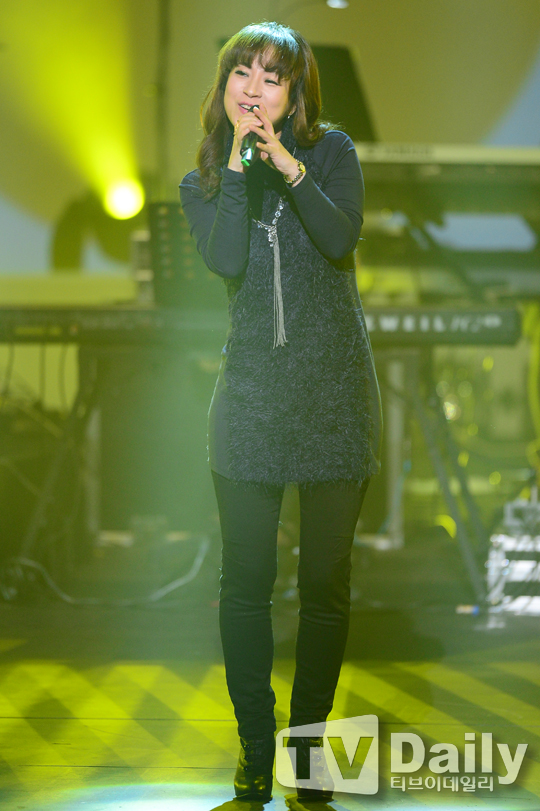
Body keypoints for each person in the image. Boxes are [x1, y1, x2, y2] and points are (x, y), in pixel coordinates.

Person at [180, 21, 382, 803]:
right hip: (251, 404)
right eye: (243, 71)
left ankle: (307, 751)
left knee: (324, 582)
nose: (254, 87)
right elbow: (227, 258)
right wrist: (240, 163)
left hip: (333, 398)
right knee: (246, 583)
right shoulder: (205, 179)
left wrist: (290, 166)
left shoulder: (333, 154)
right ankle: (255, 751)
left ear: (295, 94)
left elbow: (339, 237)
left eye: (272, 76)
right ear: (225, 83)